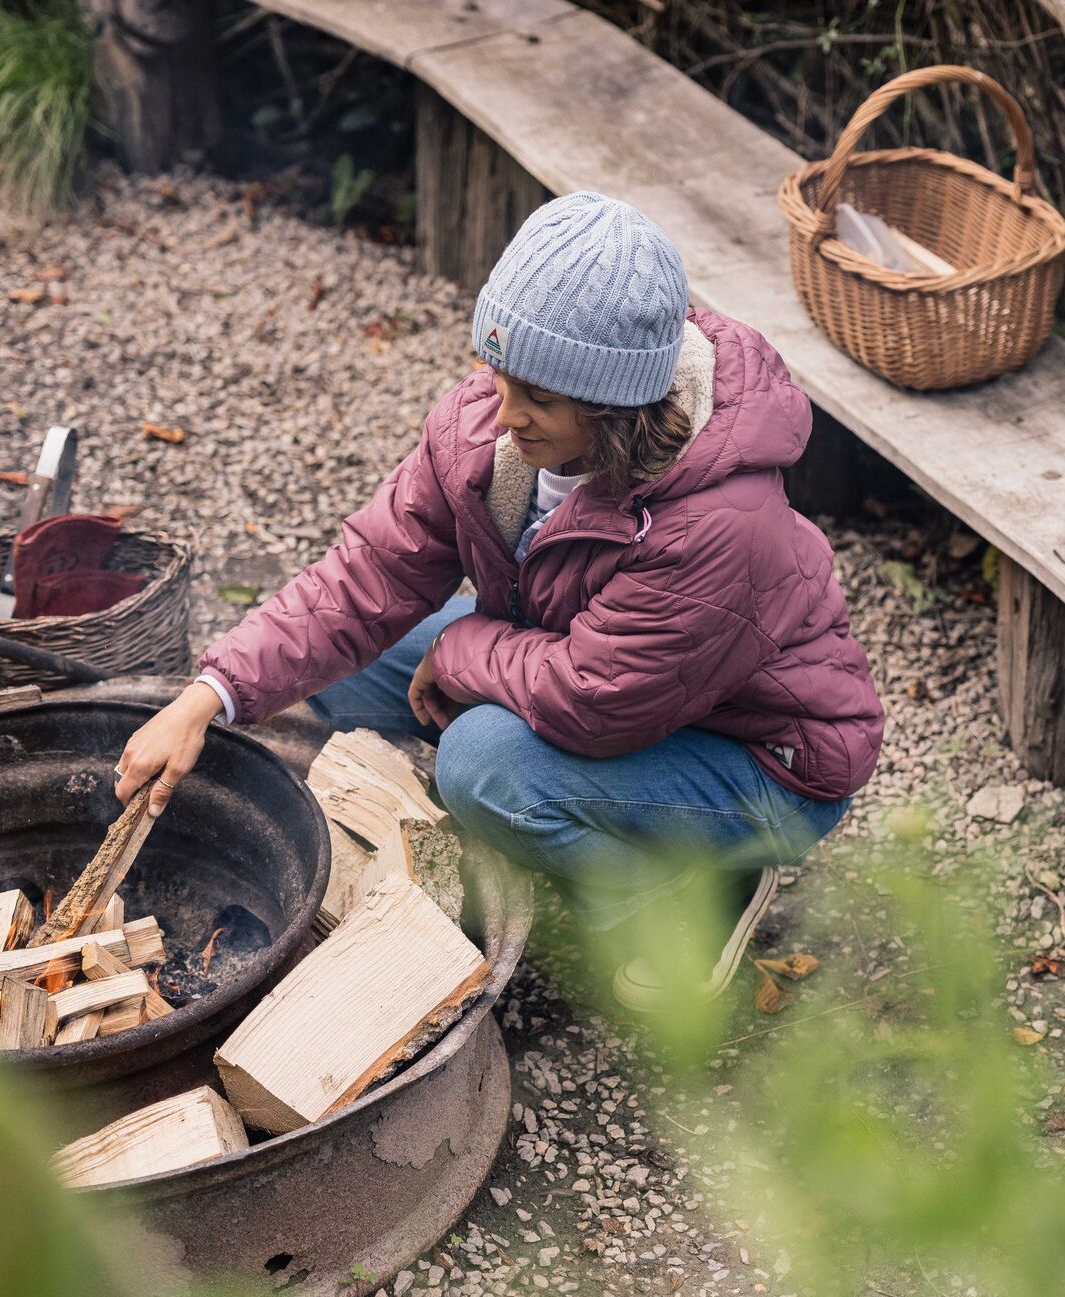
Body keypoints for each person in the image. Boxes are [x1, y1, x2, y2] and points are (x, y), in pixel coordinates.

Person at [115, 192, 884, 1010]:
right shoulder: (498, 423)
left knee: (482, 765)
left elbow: (597, 702)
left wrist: (460, 653)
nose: (502, 413)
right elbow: (367, 575)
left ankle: (691, 897)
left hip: (760, 758)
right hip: (593, 661)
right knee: (356, 659)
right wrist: (210, 695)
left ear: (616, 404)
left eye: (538, 399)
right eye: (499, 374)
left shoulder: (719, 521)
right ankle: (549, 830)